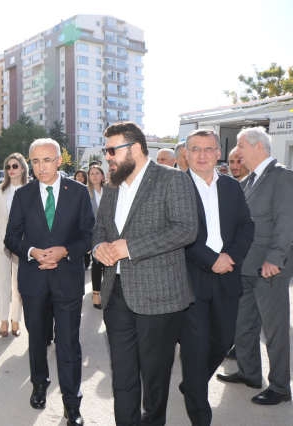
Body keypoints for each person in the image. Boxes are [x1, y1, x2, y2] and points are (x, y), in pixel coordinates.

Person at [92, 122, 197, 426]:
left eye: (112, 150)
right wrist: (98, 247)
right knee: (122, 375)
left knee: (154, 377)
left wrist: (131, 247)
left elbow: (186, 229)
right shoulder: (112, 186)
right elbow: (100, 228)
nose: (107, 157)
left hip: (160, 295)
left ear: (135, 148)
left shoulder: (172, 179)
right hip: (116, 293)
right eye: (106, 150)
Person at [5, 138, 94, 426]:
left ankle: (72, 402)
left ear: (59, 161)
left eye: (47, 160)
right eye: (35, 161)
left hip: (67, 278)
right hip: (34, 279)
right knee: (37, 339)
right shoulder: (23, 194)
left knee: (68, 343)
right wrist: (32, 252)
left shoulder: (78, 192)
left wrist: (65, 250)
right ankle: (39, 383)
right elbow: (11, 237)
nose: (41, 167)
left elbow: (89, 235)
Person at [180, 129, 254, 426]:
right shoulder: (176, 186)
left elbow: (246, 226)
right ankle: (200, 414)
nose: (202, 155)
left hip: (227, 277)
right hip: (190, 279)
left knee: (223, 342)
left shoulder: (231, 186)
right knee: (196, 349)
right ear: (186, 153)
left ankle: (193, 383)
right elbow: (177, 233)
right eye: (196, 149)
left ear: (218, 154)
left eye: (209, 149)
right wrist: (212, 260)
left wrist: (229, 258)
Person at [217, 126, 293, 406]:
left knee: (274, 332)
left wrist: (275, 258)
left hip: (269, 269)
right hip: (245, 268)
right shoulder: (248, 181)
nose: (237, 152)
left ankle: (280, 387)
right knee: (243, 325)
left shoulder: (282, 176)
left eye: (241, 146)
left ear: (258, 146)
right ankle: (249, 373)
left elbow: (287, 221)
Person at [0, 153, 28, 338]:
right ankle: (3, 319)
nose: (11, 169)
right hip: (1, 242)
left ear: (23, 168)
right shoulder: (0, 189)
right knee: (3, 282)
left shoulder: (30, 189)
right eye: (8, 167)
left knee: (18, 283)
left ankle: (15, 319)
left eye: (15, 166)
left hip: (23, 243)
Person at [87, 164, 106, 309]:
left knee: (108, 264)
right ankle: (96, 294)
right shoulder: (86, 192)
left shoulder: (110, 190)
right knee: (97, 263)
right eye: (92, 173)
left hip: (110, 233)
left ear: (102, 175)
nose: (94, 176)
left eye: (97, 173)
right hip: (94, 233)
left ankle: (107, 292)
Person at [73, 170, 91, 270]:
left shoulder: (86, 189)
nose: (80, 178)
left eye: (82, 176)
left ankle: (86, 263)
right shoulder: (70, 189)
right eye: (78, 175)